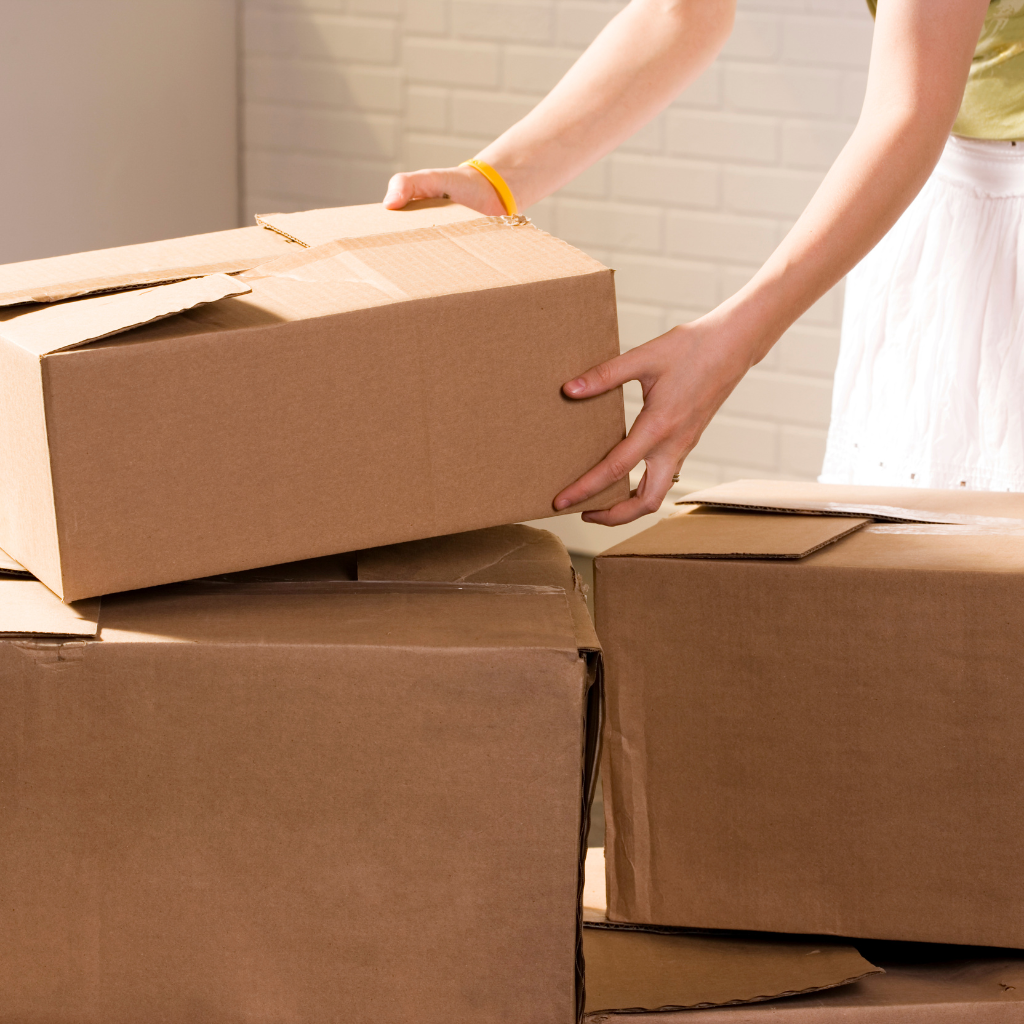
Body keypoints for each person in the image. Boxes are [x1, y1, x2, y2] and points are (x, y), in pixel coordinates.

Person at [384, 0, 1012, 525]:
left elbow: (909, 111)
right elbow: (680, 11)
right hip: (943, 200)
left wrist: (728, 344)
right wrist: (495, 182)